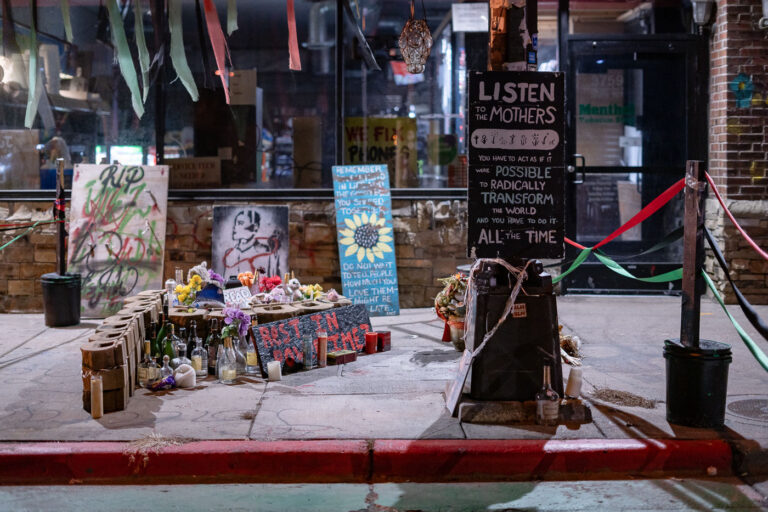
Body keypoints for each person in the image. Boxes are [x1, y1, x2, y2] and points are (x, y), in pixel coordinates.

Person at [221, 210, 282, 277]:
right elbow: (225, 281)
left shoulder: (265, 252)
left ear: (254, 228)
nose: (235, 227)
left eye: (240, 223)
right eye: (235, 223)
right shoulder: (229, 253)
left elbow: (270, 280)